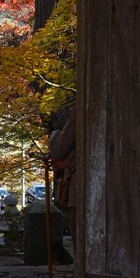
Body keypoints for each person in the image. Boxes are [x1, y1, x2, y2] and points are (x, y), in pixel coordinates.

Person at [49, 105, 77, 249]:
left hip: (81, 185)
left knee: (80, 237)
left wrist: (54, 135)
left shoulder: (80, 111)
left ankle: (81, 270)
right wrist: (67, 162)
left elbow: (58, 150)